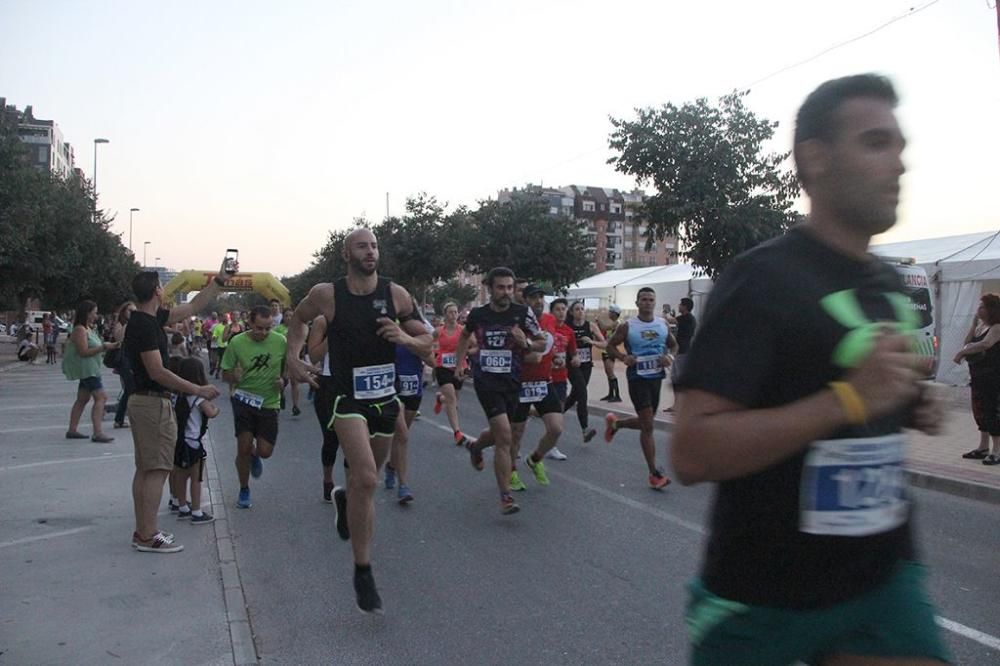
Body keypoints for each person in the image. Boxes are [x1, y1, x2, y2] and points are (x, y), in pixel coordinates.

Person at [671, 74, 949, 664]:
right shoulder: (760, 280)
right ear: (815, 160)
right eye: (876, 143)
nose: (899, 164)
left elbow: (866, 399)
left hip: (881, 582)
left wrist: (904, 403)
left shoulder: (886, 282)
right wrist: (846, 400)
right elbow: (693, 451)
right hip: (762, 600)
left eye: (900, 147)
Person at [285, 227, 433, 615]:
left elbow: (427, 343)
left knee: (366, 480)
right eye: (362, 247)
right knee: (366, 476)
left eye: (374, 246)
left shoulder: (396, 294)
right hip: (344, 395)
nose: (371, 252)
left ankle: (345, 499)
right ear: (346, 254)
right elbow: (298, 321)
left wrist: (405, 339)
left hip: (384, 397)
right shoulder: (327, 295)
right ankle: (363, 570)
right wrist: (292, 358)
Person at [124, 264, 224, 554]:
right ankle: (148, 535)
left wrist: (219, 280)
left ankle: (143, 530)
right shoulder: (144, 324)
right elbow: (157, 371)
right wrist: (197, 389)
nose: (164, 291)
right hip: (151, 402)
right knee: (156, 470)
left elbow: (193, 305)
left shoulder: (150, 319)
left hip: (146, 402)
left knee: (146, 469)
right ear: (157, 290)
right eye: (162, 287)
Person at [456, 267, 545, 515]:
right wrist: (460, 363)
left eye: (509, 287)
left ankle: (476, 447)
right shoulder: (478, 314)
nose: (506, 292)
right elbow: (464, 337)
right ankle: (505, 495)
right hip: (486, 382)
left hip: (512, 381)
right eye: (500, 287)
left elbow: (541, 341)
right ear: (490, 288)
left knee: (501, 432)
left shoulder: (522, 313)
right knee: (505, 435)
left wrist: (525, 342)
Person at [603, 288, 675, 489]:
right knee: (648, 426)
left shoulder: (662, 324)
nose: (647, 303)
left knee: (647, 422)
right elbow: (610, 346)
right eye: (643, 299)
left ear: (655, 302)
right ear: (637, 303)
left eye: (651, 299)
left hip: (656, 378)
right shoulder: (628, 326)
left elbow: (674, 345)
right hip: (637, 378)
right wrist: (624, 358)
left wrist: (669, 357)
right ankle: (654, 473)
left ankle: (616, 425)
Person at [221, 305, 288, 509]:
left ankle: (256, 455)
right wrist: (234, 376)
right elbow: (225, 373)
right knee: (243, 447)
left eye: (268, 328)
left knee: (266, 451)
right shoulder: (237, 342)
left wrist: (283, 382)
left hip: (269, 402)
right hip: (243, 399)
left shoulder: (280, 341)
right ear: (249, 323)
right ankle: (244, 488)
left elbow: (287, 368)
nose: (264, 333)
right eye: (259, 328)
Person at [506, 285, 568, 490]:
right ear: (525, 301)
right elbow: (529, 354)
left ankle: (535, 459)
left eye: (541, 297)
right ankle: (512, 471)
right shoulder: (516, 322)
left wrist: (552, 355)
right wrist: (532, 351)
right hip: (520, 383)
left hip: (543, 380)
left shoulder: (549, 320)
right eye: (533, 298)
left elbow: (544, 349)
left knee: (556, 428)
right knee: (516, 433)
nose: (539, 301)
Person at [385, 300, 435, 504]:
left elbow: (432, 360)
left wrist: (411, 343)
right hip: (394, 389)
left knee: (400, 438)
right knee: (402, 435)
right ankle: (403, 486)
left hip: (414, 390)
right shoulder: (387, 335)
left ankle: (391, 466)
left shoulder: (417, 334)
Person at [62, 301, 119, 443]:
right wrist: (103, 348)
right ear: (87, 313)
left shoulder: (88, 328)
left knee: (82, 399)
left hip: (91, 368)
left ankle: (72, 429)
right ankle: (97, 432)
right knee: (101, 397)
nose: (96, 315)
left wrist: (111, 346)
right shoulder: (80, 330)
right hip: (88, 370)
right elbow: (83, 352)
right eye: (94, 312)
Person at [953, 292, 1000, 465]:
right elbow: (968, 342)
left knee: (992, 411)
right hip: (978, 375)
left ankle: (997, 450)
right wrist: (973, 326)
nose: (978, 310)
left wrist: (962, 353)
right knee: (979, 411)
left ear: (991, 309)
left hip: (993, 376)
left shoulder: (996, 328)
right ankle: (983, 447)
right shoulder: (981, 327)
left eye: (982, 307)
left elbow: (985, 344)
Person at [172, 357, 220, 524]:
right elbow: (210, 413)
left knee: (180, 474)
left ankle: (182, 505)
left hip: (179, 440)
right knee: (196, 477)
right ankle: (197, 511)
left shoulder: (177, 396)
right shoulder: (198, 397)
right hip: (193, 441)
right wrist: (216, 409)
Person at [305, 313, 345, 514]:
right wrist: (334, 335)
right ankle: (327, 480)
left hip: (354, 382)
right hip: (328, 383)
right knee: (331, 438)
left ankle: (352, 485)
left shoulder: (361, 315)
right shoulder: (322, 321)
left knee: (354, 439)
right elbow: (314, 356)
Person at [432, 301, 472, 447]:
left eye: (456, 312)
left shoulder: (463, 331)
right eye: (451, 312)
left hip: (459, 368)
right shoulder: (438, 331)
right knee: (451, 398)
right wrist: (434, 361)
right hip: (443, 367)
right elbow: (431, 347)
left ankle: (440, 399)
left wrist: (464, 354)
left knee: (453, 398)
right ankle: (457, 432)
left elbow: (476, 346)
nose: (454, 315)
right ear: (445, 315)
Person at [563, 300, 603, 443]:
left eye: (582, 309)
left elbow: (604, 344)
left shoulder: (590, 326)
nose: (580, 311)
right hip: (572, 365)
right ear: (572, 312)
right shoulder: (567, 326)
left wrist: (592, 342)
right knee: (582, 393)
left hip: (586, 365)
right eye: (577, 309)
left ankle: (555, 412)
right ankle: (585, 429)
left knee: (575, 394)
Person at [544, 297, 578, 460]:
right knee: (533, 411)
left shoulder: (569, 332)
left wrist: (575, 359)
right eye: (557, 309)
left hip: (561, 377)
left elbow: (573, 352)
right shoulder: (545, 329)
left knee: (559, 411)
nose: (561, 312)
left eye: (564, 309)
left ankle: (552, 447)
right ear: (551, 312)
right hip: (543, 377)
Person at [274, 308, 302, 416]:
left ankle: (295, 406)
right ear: (283, 317)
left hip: (295, 358)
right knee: (282, 382)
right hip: (281, 359)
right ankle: (281, 395)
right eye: (286, 316)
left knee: (295, 382)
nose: (289, 318)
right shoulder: (277, 329)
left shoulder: (298, 328)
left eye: (291, 316)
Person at [112, 302, 135, 428]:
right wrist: (128, 323)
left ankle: (119, 418)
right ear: (124, 311)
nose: (132, 313)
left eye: (134, 311)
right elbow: (119, 338)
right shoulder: (120, 324)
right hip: (124, 360)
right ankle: (122, 418)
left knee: (129, 390)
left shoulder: (135, 325)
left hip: (132, 359)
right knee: (131, 389)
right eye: (129, 310)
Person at [600, 305, 623, 402]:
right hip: (606, 349)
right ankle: (610, 393)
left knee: (610, 372)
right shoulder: (614, 323)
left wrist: (598, 320)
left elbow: (604, 327)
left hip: (609, 350)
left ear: (614, 313)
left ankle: (617, 395)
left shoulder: (617, 323)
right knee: (608, 372)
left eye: (610, 312)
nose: (609, 313)